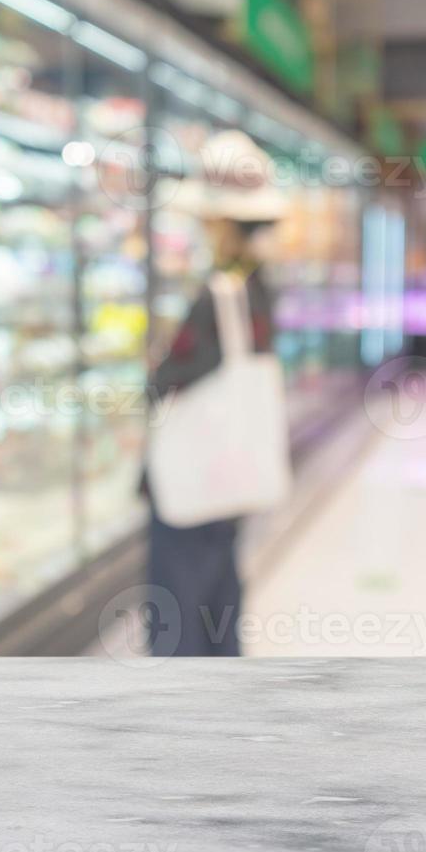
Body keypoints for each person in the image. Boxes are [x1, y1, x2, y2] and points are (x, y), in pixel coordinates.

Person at [145, 210, 280, 657]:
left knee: (178, 607)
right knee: (221, 593)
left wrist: (155, 370)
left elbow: (167, 381)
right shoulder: (259, 289)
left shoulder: (217, 297)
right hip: (233, 468)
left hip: (195, 474)